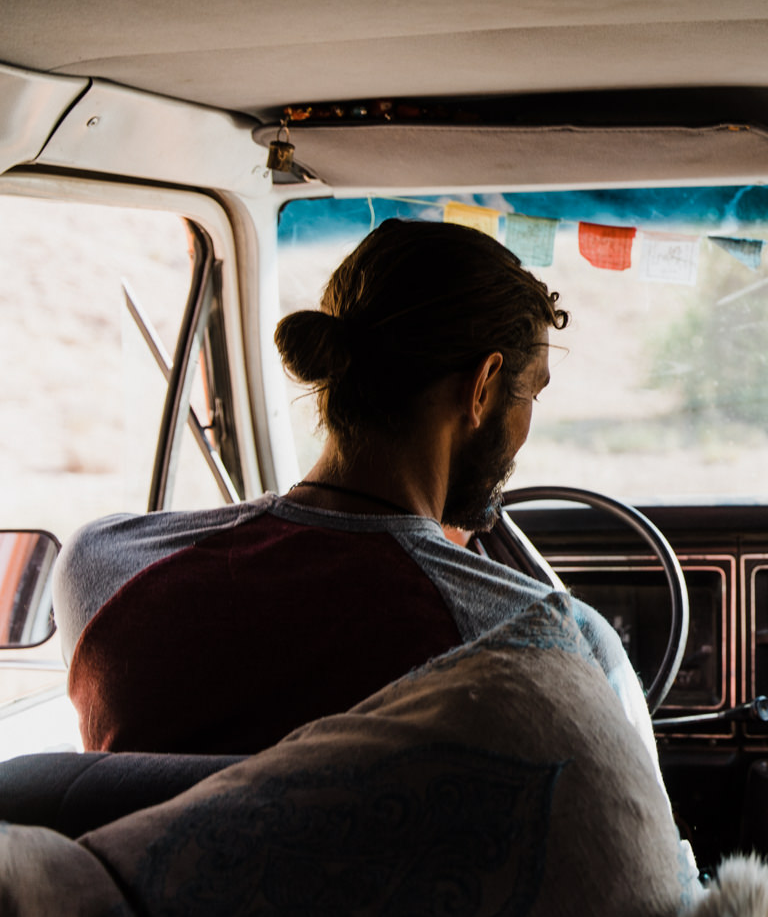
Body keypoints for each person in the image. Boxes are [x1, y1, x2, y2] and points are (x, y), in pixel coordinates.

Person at [53, 218, 654, 760]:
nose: (527, 426)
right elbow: (654, 875)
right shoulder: (556, 647)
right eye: (533, 394)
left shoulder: (103, 568)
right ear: (483, 387)